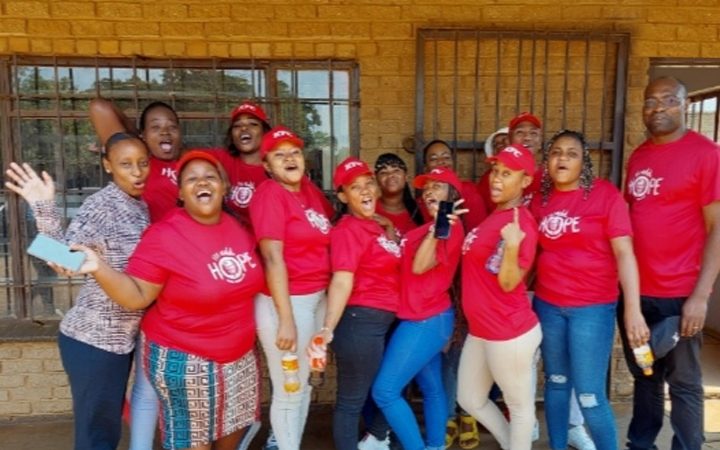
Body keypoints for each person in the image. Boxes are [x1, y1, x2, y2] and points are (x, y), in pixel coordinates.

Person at [69, 150, 264, 450]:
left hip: (239, 361)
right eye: (192, 179)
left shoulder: (236, 227)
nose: (203, 183)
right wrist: (98, 267)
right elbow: (135, 295)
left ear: (224, 186)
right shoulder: (165, 235)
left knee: (231, 441)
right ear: (181, 193)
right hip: (187, 361)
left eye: (210, 176)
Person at [5, 133, 151, 450]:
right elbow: (58, 258)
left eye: (143, 163)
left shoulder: (140, 206)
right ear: (107, 166)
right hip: (92, 341)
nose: (137, 172)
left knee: (106, 429)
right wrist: (43, 207)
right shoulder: (101, 207)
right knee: (96, 435)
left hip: (121, 341)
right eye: (126, 164)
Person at [530, 130, 649, 450]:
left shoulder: (606, 196)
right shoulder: (539, 200)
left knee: (588, 394)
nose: (563, 158)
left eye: (572, 153)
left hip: (592, 309)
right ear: (547, 161)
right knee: (555, 383)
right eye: (556, 152)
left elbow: (625, 254)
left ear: (585, 162)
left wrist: (632, 310)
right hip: (548, 305)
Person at [620, 76, 720, 450]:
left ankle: (688, 445)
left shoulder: (706, 154)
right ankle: (641, 444)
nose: (658, 107)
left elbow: (717, 229)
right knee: (646, 375)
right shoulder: (640, 155)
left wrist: (700, 296)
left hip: (680, 295)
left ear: (686, 105)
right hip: (637, 295)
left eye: (668, 100)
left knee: (685, 384)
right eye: (650, 101)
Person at [507, 112, 595, 449]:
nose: (526, 137)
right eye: (520, 132)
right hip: (517, 284)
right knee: (524, 359)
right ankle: (525, 422)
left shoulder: (555, 177)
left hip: (557, 287)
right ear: (509, 139)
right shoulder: (505, 177)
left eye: (533, 132)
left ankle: (573, 425)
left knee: (568, 360)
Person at [308, 156, 401, 450]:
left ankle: (375, 438)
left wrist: (386, 225)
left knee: (389, 387)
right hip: (360, 323)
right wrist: (327, 330)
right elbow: (342, 279)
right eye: (355, 187)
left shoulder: (373, 225)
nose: (365, 191)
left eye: (368, 184)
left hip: (381, 320)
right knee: (351, 401)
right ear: (342, 195)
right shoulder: (347, 230)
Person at [249, 126, 333, 450]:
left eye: (294, 152)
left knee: (305, 387)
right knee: (288, 390)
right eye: (279, 154)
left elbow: (330, 229)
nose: (289, 158)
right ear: (267, 164)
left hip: (316, 302)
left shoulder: (308, 192)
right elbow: (272, 258)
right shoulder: (270, 193)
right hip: (288, 304)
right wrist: (286, 319)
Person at [372, 167, 466, 450]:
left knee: (385, 391)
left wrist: (437, 229)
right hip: (426, 316)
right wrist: (391, 230)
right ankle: (436, 445)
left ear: (453, 195)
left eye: (438, 187)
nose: (429, 193)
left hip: (425, 320)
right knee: (433, 389)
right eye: (426, 188)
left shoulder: (446, 226)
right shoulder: (428, 227)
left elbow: (420, 265)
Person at [457, 143, 540, 450]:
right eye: (495, 171)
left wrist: (514, 247)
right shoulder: (496, 217)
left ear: (525, 181)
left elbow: (508, 282)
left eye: (507, 173)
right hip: (482, 330)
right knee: (469, 397)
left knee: (519, 409)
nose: (496, 179)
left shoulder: (520, 223)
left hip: (509, 331)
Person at [421, 140, 487, 230]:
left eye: (446, 157)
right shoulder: (425, 198)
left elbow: (478, 231)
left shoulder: (468, 189)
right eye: (434, 159)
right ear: (425, 168)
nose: (441, 162)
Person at [374, 153, 423, 235]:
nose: (390, 175)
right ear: (377, 180)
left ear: (406, 177)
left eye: (396, 170)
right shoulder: (370, 211)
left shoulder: (421, 209)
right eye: (383, 172)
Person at [477, 127, 509, 211]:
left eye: (504, 140)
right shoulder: (487, 178)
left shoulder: (528, 172)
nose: (499, 145)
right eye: (495, 144)